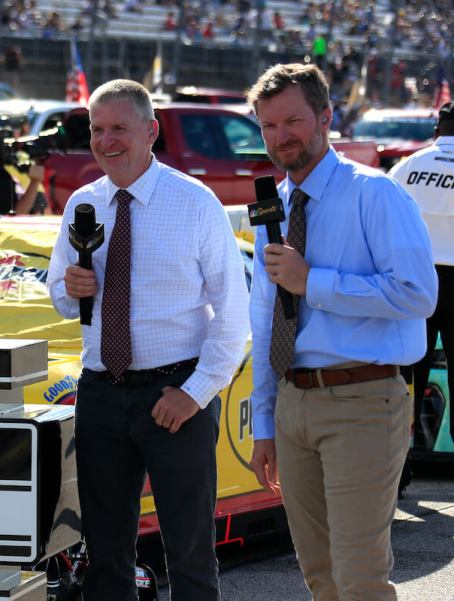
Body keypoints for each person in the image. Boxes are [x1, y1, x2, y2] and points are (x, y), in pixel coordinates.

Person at [47, 79, 249, 600]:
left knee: (190, 553)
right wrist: (72, 288)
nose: (106, 140)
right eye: (96, 129)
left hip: (175, 395)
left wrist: (196, 392)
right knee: (106, 556)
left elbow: (234, 314)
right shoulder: (82, 203)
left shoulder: (195, 203)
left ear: (151, 131)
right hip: (100, 392)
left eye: (119, 128)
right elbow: (62, 295)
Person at [246, 64, 437, 600]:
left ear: (326, 118)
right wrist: (265, 421)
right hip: (292, 405)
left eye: (293, 121)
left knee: (359, 579)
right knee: (321, 578)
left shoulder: (375, 194)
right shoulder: (271, 205)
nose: (282, 136)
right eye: (268, 126)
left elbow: (419, 294)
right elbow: (267, 319)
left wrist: (316, 282)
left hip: (363, 399)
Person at [389, 101, 454, 447]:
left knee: (407, 381)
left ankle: (399, 474)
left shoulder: (408, 166)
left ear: (437, 130)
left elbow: (380, 219)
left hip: (415, 283)